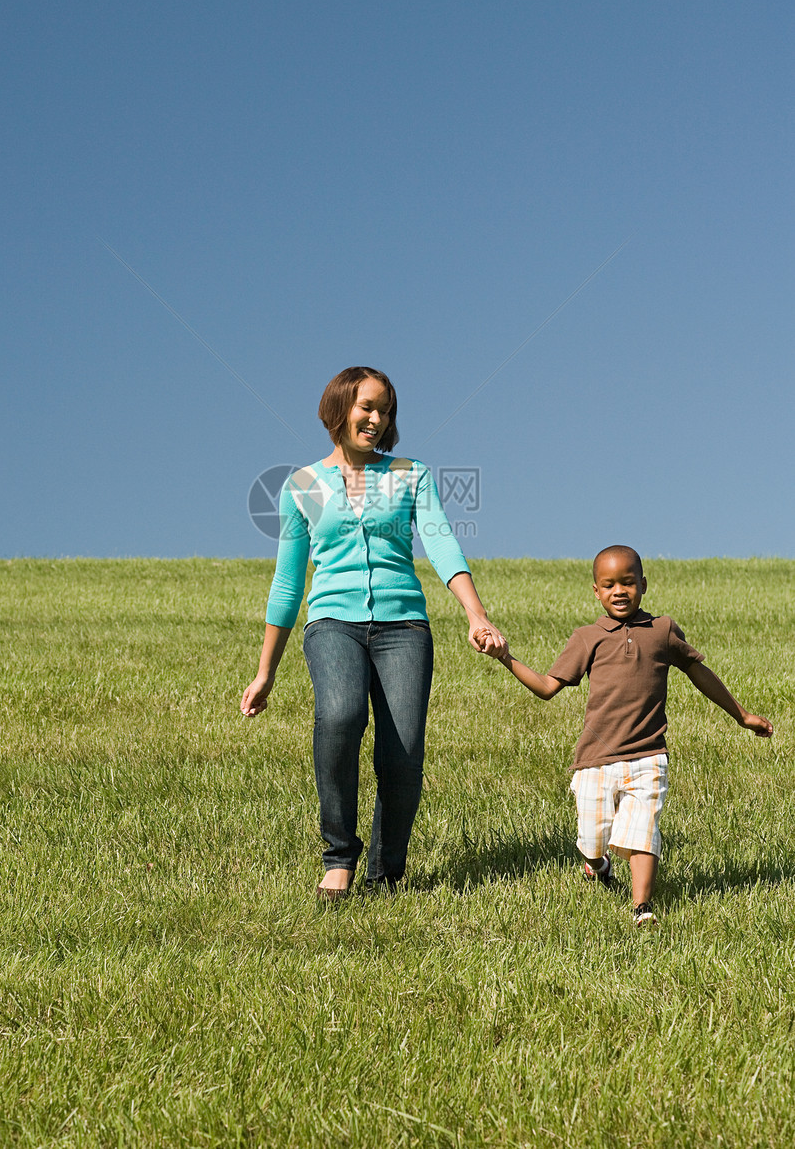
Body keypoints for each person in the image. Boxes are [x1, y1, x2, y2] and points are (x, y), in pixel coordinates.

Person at [241, 366, 507, 899]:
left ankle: (385, 874)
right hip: (333, 624)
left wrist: (476, 614)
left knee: (403, 753)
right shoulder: (302, 487)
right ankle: (338, 855)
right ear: (339, 409)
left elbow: (442, 543)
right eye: (367, 407)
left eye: (385, 410)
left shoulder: (411, 474)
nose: (377, 419)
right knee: (340, 716)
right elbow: (289, 582)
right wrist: (266, 670)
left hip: (404, 626)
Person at [475, 544, 772, 927]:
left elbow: (699, 672)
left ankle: (641, 907)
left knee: (642, 832)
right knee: (593, 839)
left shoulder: (662, 630)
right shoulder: (586, 637)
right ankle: (596, 865)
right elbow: (548, 687)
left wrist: (742, 715)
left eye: (628, 582)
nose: (620, 591)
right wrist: (505, 657)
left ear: (643, 585)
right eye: (609, 584)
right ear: (596, 591)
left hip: (649, 756)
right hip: (595, 759)